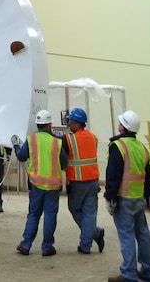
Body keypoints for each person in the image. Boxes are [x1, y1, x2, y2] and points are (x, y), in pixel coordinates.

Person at [104, 110, 150, 282]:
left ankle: (128, 274)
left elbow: (113, 175)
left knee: (126, 236)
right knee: (142, 234)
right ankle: (148, 272)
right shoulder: (142, 148)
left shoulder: (118, 147)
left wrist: (110, 197)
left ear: (122, 127)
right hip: (138, 199)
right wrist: (145, 197)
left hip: (123, 199)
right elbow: (148, 178)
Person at [12, 109, 67, 256]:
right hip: (53, 186)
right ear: (49, 125)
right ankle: (47, 247)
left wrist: (16, 145)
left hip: (36, 184)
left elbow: (21, 157)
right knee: (50, 215)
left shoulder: (31, 140)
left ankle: (26, 245)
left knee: (33, 214)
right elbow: (65, 162)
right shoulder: (57, 142)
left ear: (37, 125)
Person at [62, 106, 105, 254]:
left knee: (75, 209)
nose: (68, 124)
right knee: (90, 213)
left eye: (70, 122)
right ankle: (85, 246)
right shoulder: (94, 137)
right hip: (93, 180)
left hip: (78, 182)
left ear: (76, 123)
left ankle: (95, 233)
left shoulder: (68, 139)